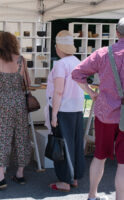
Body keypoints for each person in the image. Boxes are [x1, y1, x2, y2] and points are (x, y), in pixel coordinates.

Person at [72, 18, 124, 200]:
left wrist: (91, 92)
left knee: (99, 156)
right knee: (123, 165)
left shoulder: (103, 54)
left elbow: (76, 73)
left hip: (105, 114)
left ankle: (92, 196)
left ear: (117, 32)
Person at [0, 32, 31, 190]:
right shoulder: (21, 60)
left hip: (4, 102)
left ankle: (0, 177)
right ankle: (20, 174)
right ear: (14, 44)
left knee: (2, 137)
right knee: (21, 136)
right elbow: (28, 82)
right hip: (19, 101)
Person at [46, 30, 85, 192]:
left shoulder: (60, 65)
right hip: (77, 109)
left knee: (62, 145)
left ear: (58, 47)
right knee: (75, 144)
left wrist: (54, 114)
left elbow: (58, 91)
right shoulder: (78, 62)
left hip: (63, 110)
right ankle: (74, 177)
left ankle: (64, 181)